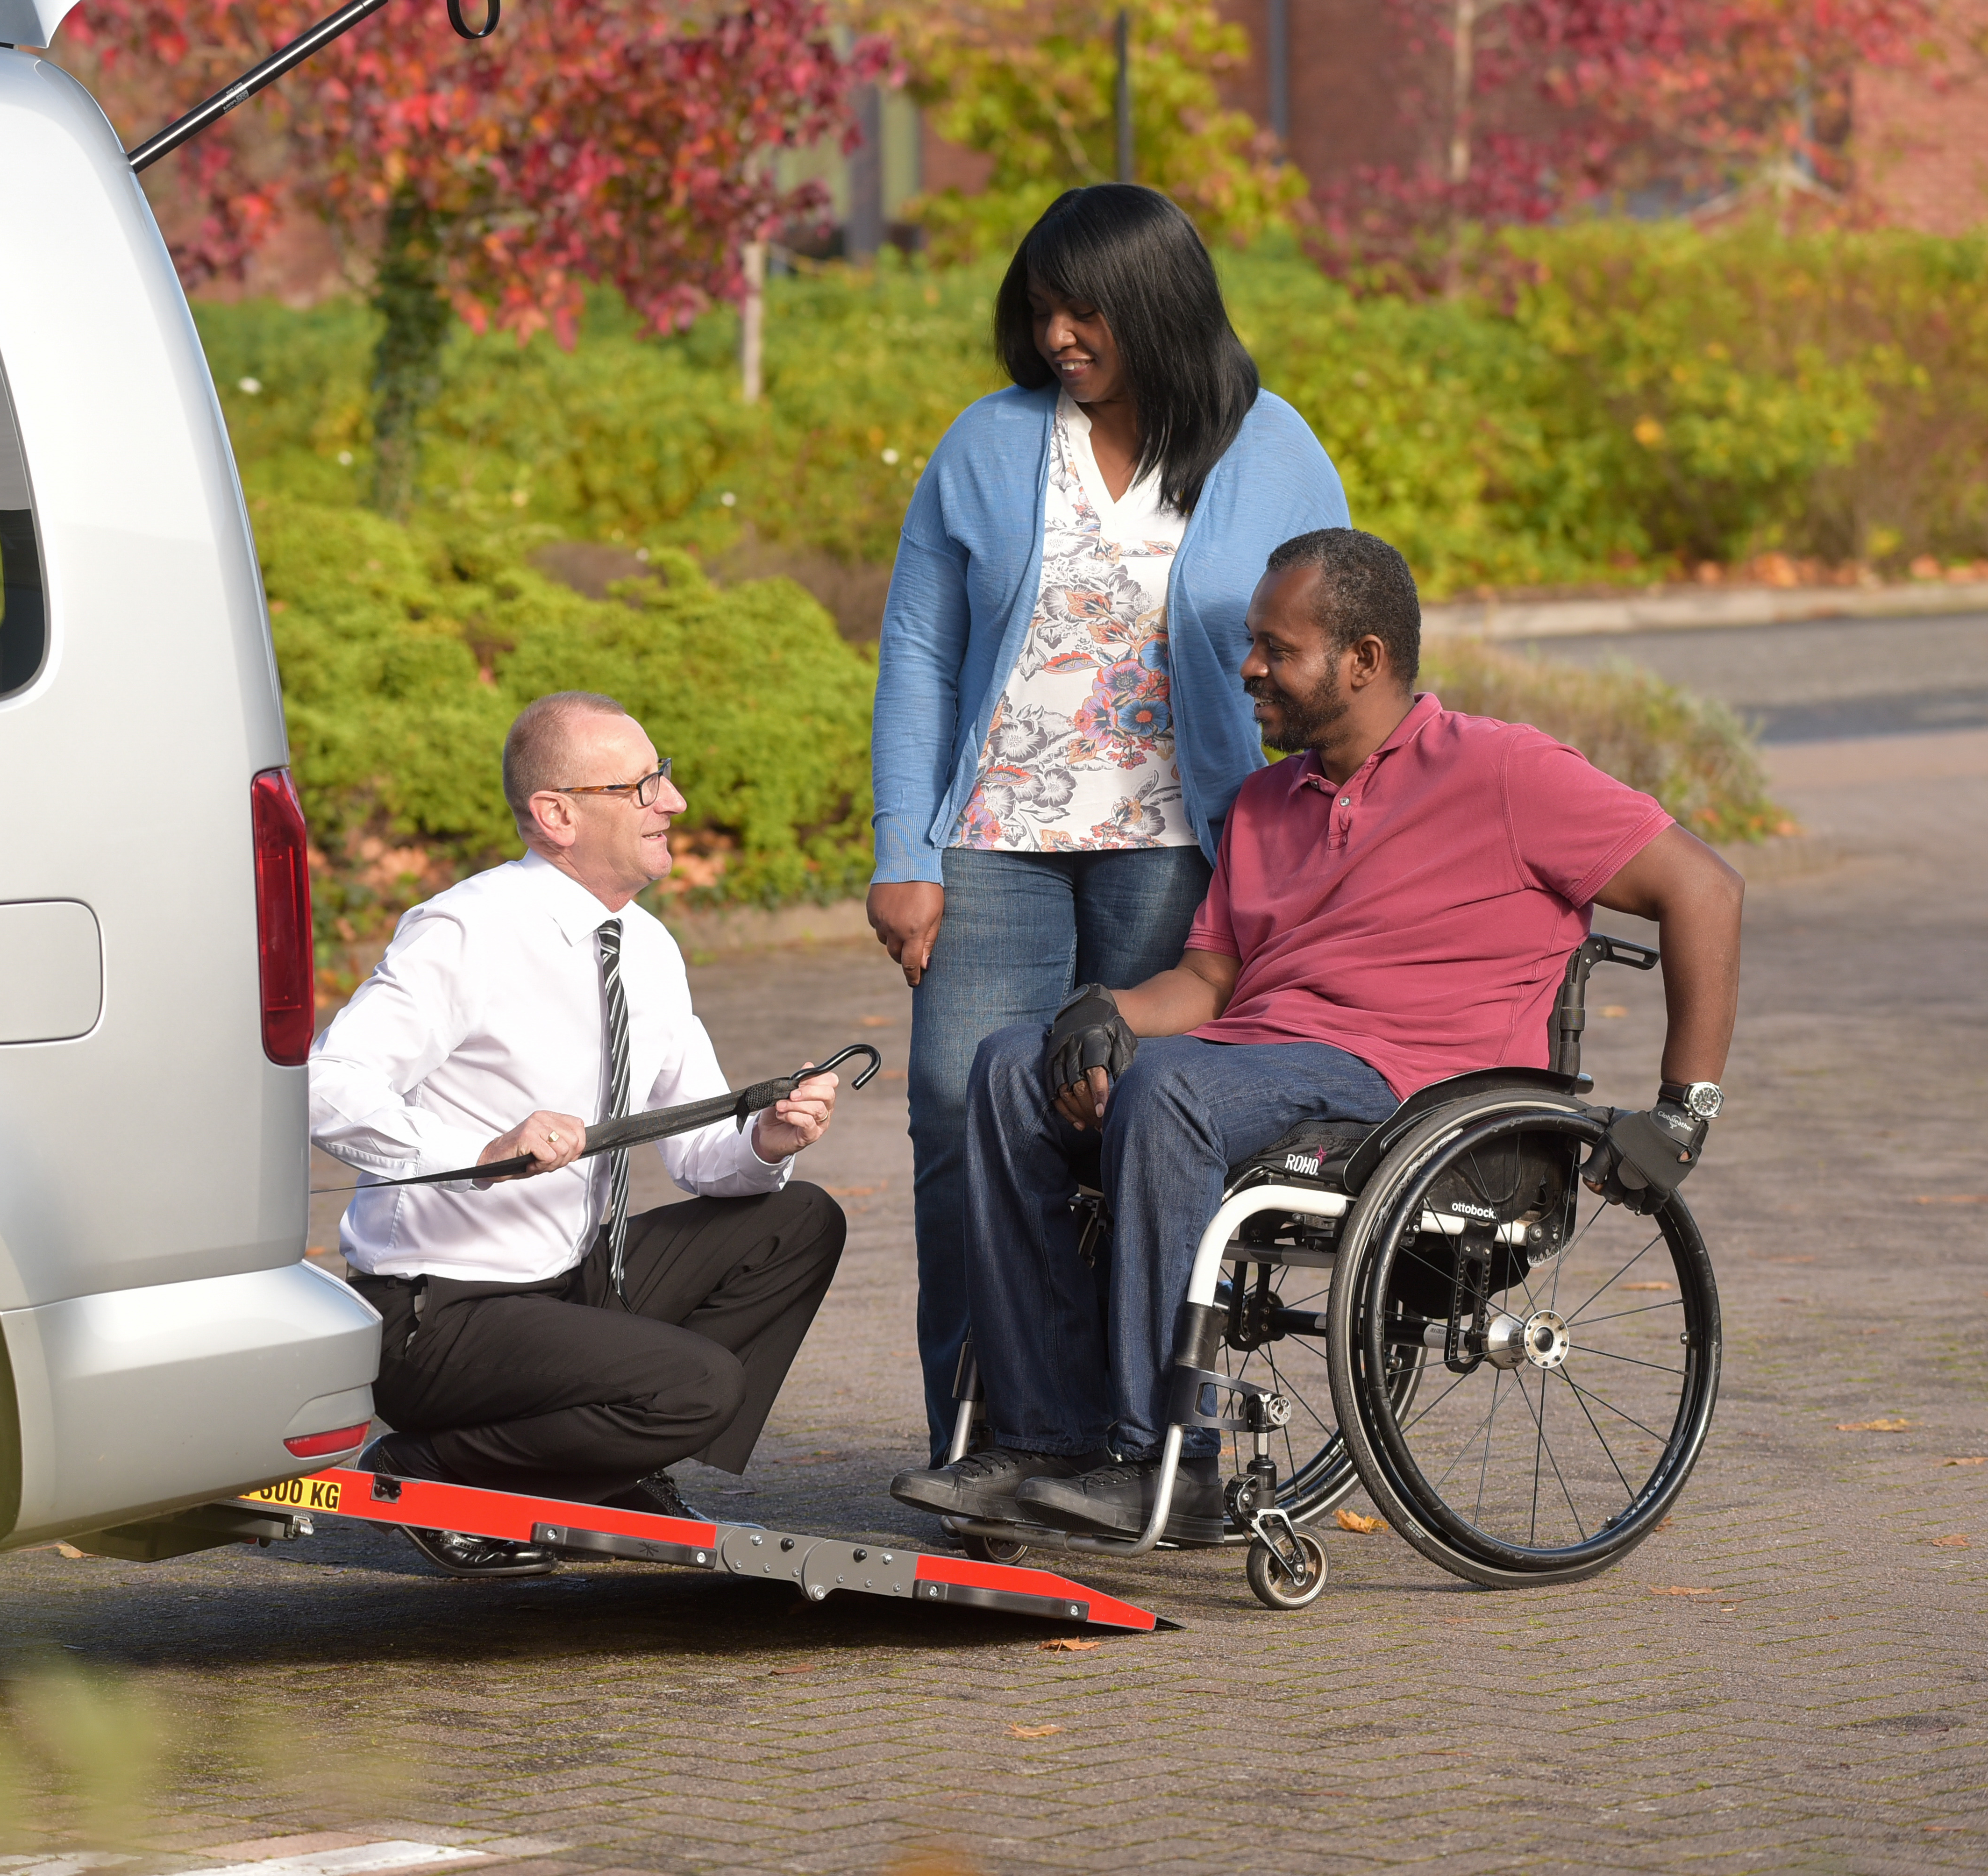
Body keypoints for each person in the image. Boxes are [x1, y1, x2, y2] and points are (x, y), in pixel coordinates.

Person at [890, 528, 1746, 1540]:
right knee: (1004, 1066)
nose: (1246, 667)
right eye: (1251, 642)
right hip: (1249, 1060)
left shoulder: (1507, 772)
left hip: (1408, 1092)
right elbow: (1209, 979)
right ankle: (1041, 1437)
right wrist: (1104, 1014)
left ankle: (1163, 1454)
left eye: (1273, 648)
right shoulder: (1263, 803)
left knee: (1165, 1089)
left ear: (1363, 660)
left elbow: (1703, 887)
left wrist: (1682, 1110)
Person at [864, 183, 1353, 1464]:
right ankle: (985, 1442)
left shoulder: (1275, 448)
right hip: (993, 845)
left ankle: (1132, 1438)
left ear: (1159, 305)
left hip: (1179, 851)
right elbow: (920, 651)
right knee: (954, 1119)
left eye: (1087, 311)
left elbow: (1332, 647)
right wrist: (904, 851)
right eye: (1041, 312)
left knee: (1128, 1122)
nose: (1060, 337)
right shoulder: (987, 443)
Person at [309, 691, 850, 1577]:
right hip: (440, 1313)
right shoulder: (466, 929)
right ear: (557, 814)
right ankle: (427, 1470)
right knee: (698, 1387)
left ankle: (605, 1467)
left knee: (799, 1222)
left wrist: (768, 1143)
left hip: (573, 1282)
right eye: (642, 787)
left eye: (664, 778)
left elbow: (700, 1155)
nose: (671, 803)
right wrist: (473, 1156)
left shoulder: (647, 947)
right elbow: (328, 1086)